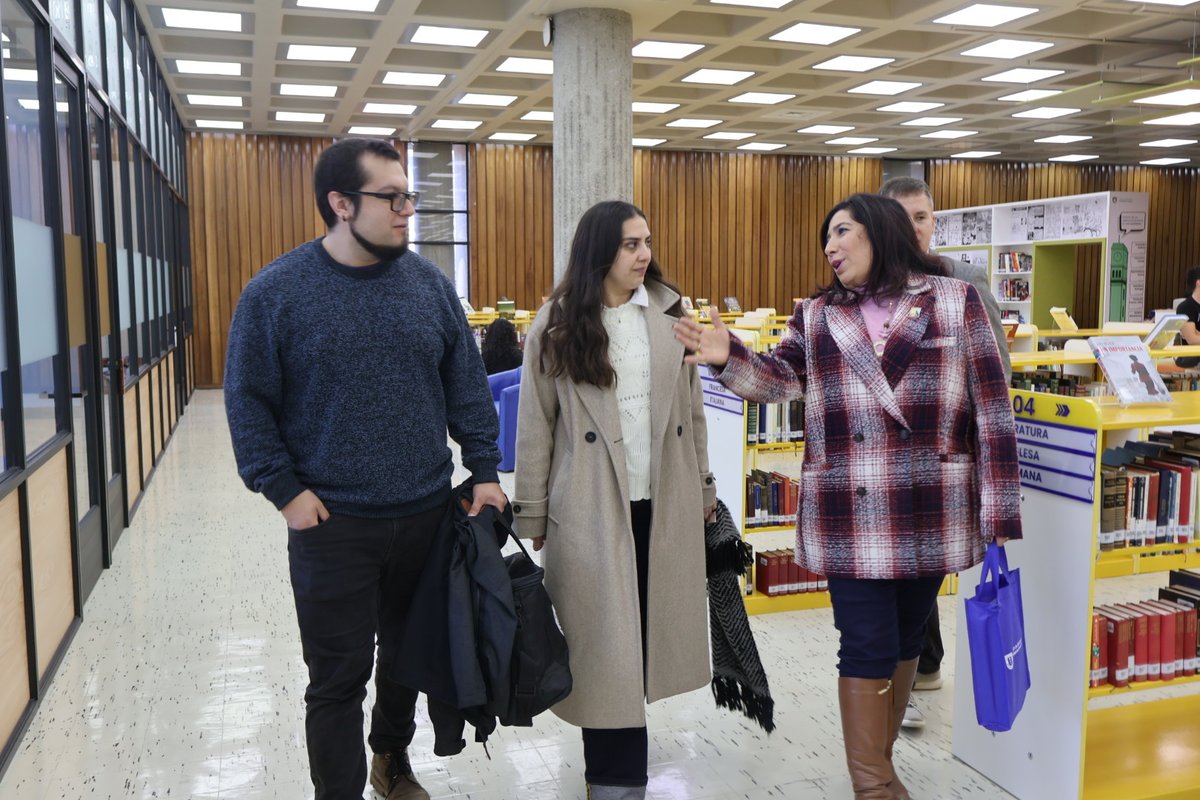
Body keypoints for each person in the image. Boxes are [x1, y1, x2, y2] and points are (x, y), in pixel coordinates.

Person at [673, 193, 1022, 800]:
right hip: (851, 508)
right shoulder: (817, 314)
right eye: (826, 238)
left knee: (910, 635)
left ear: (880, 231)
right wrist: (728, 355)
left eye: (842, 232)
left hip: (929, 503)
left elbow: (993, 410)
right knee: (865, 641)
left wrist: (999, 509)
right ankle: (875, 785)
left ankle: (879, 765)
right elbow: (780, 380)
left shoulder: (953, 301)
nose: (830, 248)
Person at [224, 138, 507, 800]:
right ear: (340, 204)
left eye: (410, 195)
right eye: (393, 197)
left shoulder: (430, 288)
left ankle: (391, 762)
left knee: (405, 663)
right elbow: (248, 403)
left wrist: (485, 468)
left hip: (425, 516)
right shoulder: (276, 293)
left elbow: (466, 388)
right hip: (332, 525)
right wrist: (284, 491)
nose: (408, 210)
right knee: (336, 679)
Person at [511, 200, 717, 800]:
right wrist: (532, 509)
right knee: (604, 650)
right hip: (590, 507)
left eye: (647, 241)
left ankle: (622, 770)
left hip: (663, 501)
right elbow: (535, 425)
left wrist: (703, 486)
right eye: (631, 244)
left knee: (644, 639)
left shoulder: (672, 313)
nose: (644, 254)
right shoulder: (557, 323)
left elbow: (693, 413)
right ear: (600, 250)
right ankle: (615, 780)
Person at [880, 176, 1011, 730]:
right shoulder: (862, 286)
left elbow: (995, 379)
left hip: (943, 470)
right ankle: (900, 685)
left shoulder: (966, 283)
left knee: (921, 582)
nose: (916, 228)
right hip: (880, 470)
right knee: (885, 595)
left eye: (924, 216)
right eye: (903, 216)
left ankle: (915, 674)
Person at [1174, 266, 1200, 367]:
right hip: (1192, 358)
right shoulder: (1185, 307)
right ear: (1198, 283)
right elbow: (1192, 339)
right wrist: (1195, 334)